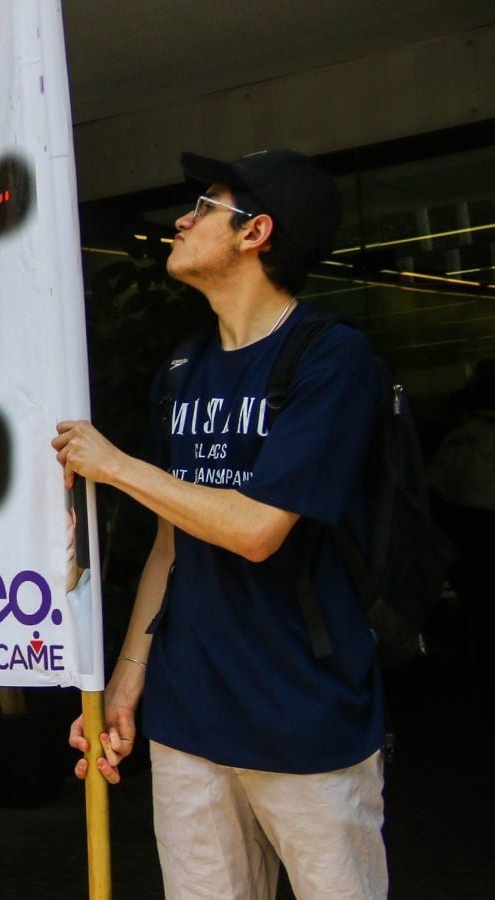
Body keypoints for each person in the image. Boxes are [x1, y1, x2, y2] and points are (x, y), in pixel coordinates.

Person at [53, 149, 388, 899]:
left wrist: (116, 466)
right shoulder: (182, 369)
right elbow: (173, 543)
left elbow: (257, 528)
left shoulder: (332, 360)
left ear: (256, 232)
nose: (182, 218)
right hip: (189, 716)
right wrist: (127, 683)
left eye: (204, 206)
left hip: (305, 717)